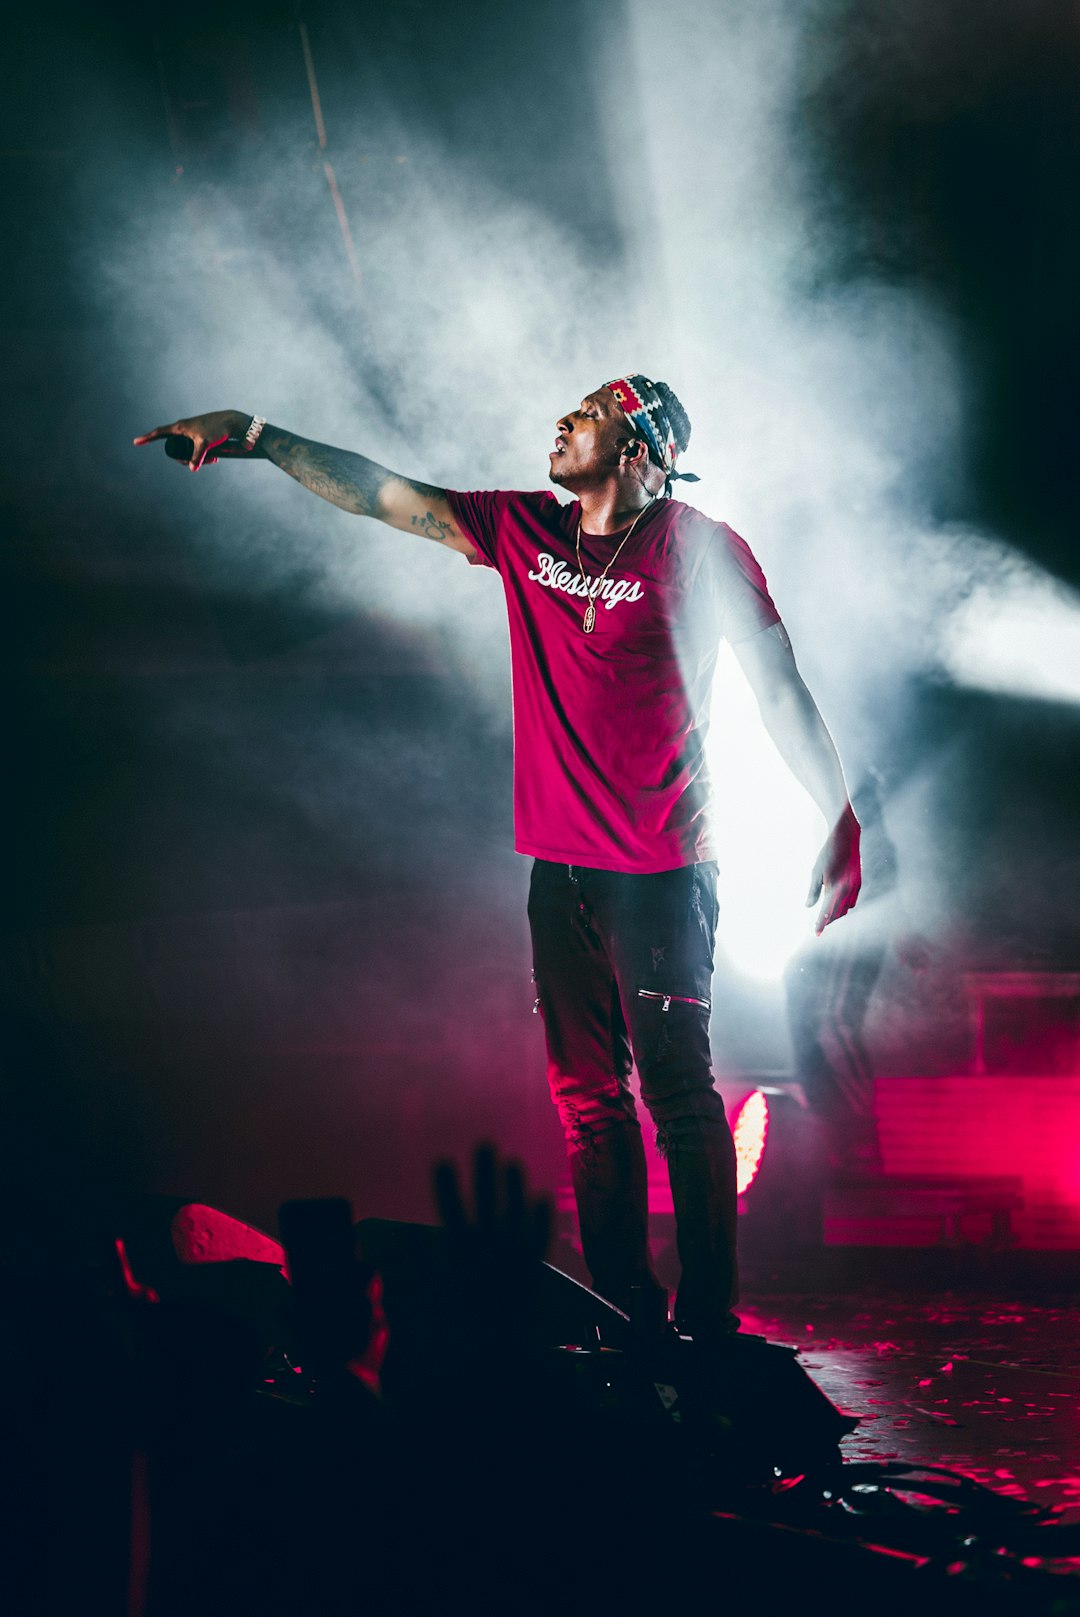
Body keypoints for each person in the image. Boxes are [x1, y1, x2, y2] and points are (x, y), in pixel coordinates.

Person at [134, 376, 861, 1345]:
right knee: (586, 1104)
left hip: (661, 874)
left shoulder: (698, 548)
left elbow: (777, 685)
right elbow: (384, 493)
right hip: (557, 872)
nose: (562, 422)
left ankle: (707, 1325)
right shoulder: (526, 530)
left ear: (639, 449)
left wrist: (838, 813)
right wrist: (258, 436)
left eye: (590, 414)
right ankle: (626, 1317)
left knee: (679, 1098)